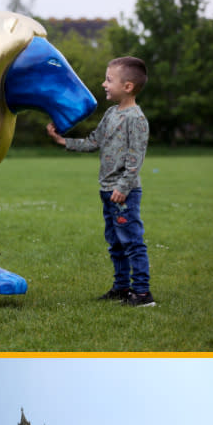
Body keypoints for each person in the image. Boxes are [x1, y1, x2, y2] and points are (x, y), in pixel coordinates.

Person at [46, 56, 155, 307]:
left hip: (122, 193)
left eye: (109, 80)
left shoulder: (135, 119)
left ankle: (142, 293)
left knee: (132, 242)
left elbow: (135, 157)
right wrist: (64, 142)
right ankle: (121, 288)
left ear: (127, 86)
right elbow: (94, 141)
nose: (103, 84)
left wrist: (123, 186)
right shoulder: (111, 114)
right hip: (107, 191)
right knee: (115, 243)